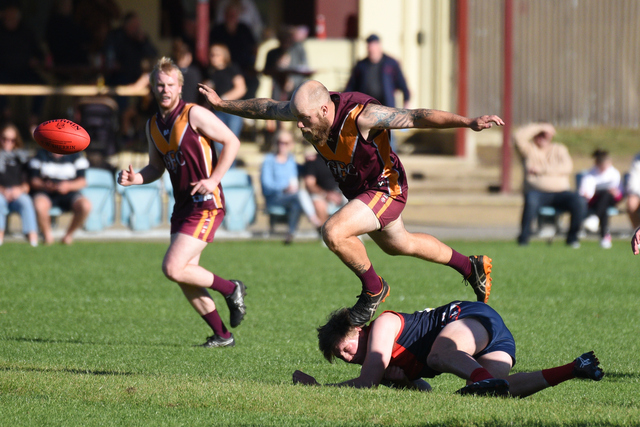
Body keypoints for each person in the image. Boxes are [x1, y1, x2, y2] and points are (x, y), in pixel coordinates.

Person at [199, 79, 503, 326]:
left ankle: (374, 289)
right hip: (362, 193)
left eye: (304, 119)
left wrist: (468, 122)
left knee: (333, 232)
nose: (299, 126)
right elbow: (266, 108)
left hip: (386, 188)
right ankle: (471, 266)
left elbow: (415, 116)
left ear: (323, 109)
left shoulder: (362, 116)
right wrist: (222, 104)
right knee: (399, 244)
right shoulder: (309, 110)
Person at [117, 57, 247, 348]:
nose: (164, 89)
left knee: (173, 268)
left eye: (170, 85)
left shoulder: (194, 113)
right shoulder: (152, 125)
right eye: (159, 85)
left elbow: (232, 141)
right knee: (185, 275)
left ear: (179, 87)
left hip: (206, 203)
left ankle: (231, 288)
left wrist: (213, 179)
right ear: (153, 88)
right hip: (183, 206)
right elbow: (156, 167)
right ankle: (222, 335)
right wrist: (136, 179)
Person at [292, 301, 604, 397]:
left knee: (439, 354)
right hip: (495, 340)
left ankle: (480, 379)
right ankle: (574, 368)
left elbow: (367, 382)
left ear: (359, 330)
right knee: (498, 392)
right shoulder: (384, 364)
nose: (348, 357)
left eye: (346, 348)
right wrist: (405, 383)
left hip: (468, 318)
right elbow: (425, 391)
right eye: (341, 358)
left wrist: (319, 389)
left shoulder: (383, 325)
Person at [514, 122, 586, 248]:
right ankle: (524, 238)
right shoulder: (529, 149)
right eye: (539, 134)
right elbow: (517, 137)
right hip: (537, 193)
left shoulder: (559, 149)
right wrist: (539, 127)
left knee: (579, 201)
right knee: (531, 200)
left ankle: (572, 238)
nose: (542, 137)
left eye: (545, 134)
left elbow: (567, 167)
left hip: (561, 193)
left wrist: (541, 170)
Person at [261, 130, 321, 244]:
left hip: (291, 197)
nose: (282, 145)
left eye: (286, 143)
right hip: (275, 197)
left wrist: (310, 161)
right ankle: (315, 221)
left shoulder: (291, 160)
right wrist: (284, 188)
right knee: (300, 195)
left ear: (291, 144)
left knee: (297, 204)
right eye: (280, 142)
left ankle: (290, 234)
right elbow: (266, 185)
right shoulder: (269, 160)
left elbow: (304, 170)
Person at [28, 149, 92, 245]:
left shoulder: (77, 156)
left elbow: (82, 181)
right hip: (46, 192)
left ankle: (68, 236)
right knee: (39, 205)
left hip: (69, 193)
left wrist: (68, 186)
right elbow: (34, 180)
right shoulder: (40, 154)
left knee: (85, 205)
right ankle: (47, 237)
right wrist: (45, 185)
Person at [345, 34, 410, 110]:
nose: (371, 49)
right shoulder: (361, 65)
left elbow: (402, 84)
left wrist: (406, 102)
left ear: (379, 47)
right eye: (369, 47)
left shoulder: (391, 63)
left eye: (373, 47)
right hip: (367, 107)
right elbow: (351, 86)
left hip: (387, 106)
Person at [209, 1, 258, 99]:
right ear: (225, 15)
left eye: (234, 14)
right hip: (223, 67)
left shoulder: (244, 29)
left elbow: (254, 48)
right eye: (229, 14)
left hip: (244, 68)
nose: (231, 17)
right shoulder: (218, 30)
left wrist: (253, 63)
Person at [0, 123, 38, 246]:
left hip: (17, 193)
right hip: (1, 193)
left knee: (26, 201)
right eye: (4, 139)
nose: (8, 142)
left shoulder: (21, 158)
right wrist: (3, 190)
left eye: (12, 140)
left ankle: (33, 239)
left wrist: (19, 190)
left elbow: (26, 184)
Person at [578, 149, 622, 249]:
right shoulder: (590, 175)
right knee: (603, 207)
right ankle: (605, 237)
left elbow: (619, 194)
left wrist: (615, 193)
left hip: (610, 200)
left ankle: (595, 218)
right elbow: (585, 193)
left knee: (605, 196)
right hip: (595, 202)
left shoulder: (614, 174)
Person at [204, 43, 246, 145]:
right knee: (218, 143)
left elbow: (241, 89)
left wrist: (222, 99)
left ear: (225, 56)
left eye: (217, 55)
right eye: (211, 55)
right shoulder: (210, 72)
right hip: (217, 111)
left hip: (233, 110)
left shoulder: (232, 69)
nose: (214, 58)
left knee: (232, 142)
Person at [302, 149, 346, 225]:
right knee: (318, 204)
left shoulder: (341, 159)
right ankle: (323, 228)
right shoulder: (313, 161)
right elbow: (309, 184)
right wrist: (326, 194)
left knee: (352, 201)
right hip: (321, 194)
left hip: (341, 193)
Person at [625, 152, 640, 231]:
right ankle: (637, 231)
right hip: (638, 193)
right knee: (631, 202)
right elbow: (633, 184)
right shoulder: (637, 160)